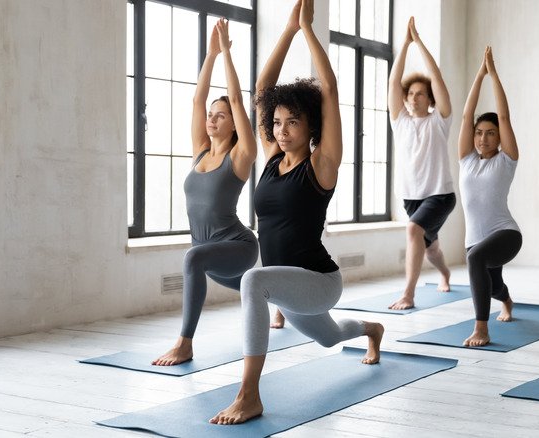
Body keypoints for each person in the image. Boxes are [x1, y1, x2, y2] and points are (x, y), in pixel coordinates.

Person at [210, 0, 384, 425]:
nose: (281, 130)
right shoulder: (272, 158)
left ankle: (249, 394)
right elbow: (262, 90)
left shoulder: (321, 165)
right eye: (277, 122)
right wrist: (286, 31)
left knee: (252, 280)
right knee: (329, 338)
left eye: (293, 123)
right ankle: (371, 331)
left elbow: (330, 89)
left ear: (312, 129)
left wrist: (308, 30)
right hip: (290, 287)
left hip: (320, 281)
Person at [153, 19, 258, 366]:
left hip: (238, 247)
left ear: (233, 123)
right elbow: (197, 99)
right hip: (211, 257)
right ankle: (278, 300)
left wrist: (228, 53)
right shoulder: (200, 150)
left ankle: (185, 343)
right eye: (211, 115)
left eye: (221, 115)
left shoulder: (241, 157)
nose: (212, 119)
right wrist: (210, 55)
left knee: (193, 258)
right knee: (254, 289)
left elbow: (240, 101)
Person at [387, 16, 455, 310]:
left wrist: (421, 44)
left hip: (440, 194)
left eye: (420, 94)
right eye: (410, 93)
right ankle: (445, 273)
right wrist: (403, 45)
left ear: (430, 100)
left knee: (414, 231)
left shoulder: (440, 122)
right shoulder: (399, 121)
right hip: (411, 197)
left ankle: (408, 294)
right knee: (431, 247)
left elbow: (437, 78)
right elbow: (393, 82)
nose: (413, 98)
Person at [457, 47, 521, 347]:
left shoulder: (506, 160)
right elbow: (467, 115)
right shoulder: (467, 160)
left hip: (505, 234)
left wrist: (493, 75)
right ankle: (506, 300)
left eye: (491, 133)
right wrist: (478, 76)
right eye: (479, 132)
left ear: (499, 136)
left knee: (475, 258)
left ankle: (481, 328)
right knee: (493, 286)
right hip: (476, 240)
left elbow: (505, 116)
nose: (483, 137)